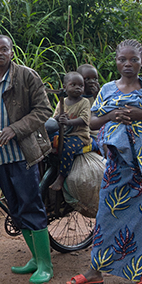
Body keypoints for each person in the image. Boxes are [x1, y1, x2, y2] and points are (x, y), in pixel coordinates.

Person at [67, 39, 142, 284]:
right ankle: (95, 270)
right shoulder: (106, 89)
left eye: (133, 60)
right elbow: (92, 122)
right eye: (122, 60)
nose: (127, 64)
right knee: (108, 214)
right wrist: (112, 116)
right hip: (118, 164)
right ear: (115, 61)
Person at [0, 36, 54, 284]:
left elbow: (43, 111)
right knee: (16, 209)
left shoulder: (26, 76)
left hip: (22, 154)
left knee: (31, 205)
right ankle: (34, 258)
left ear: (11, 53)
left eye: (4, 49)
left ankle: (46, 264)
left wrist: (15, 128)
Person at [48, 70, 92, 201]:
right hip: (63, 133)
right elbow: (54, 118)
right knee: (46, 141)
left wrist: (68, 122)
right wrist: (58, 118)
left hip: (79, 136)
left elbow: (85, 119)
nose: (78, 88)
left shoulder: (84, 102)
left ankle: (61, 177)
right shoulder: (62, 102)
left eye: (81, 85)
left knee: (67, 149)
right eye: (73, 85)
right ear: (65, 87)